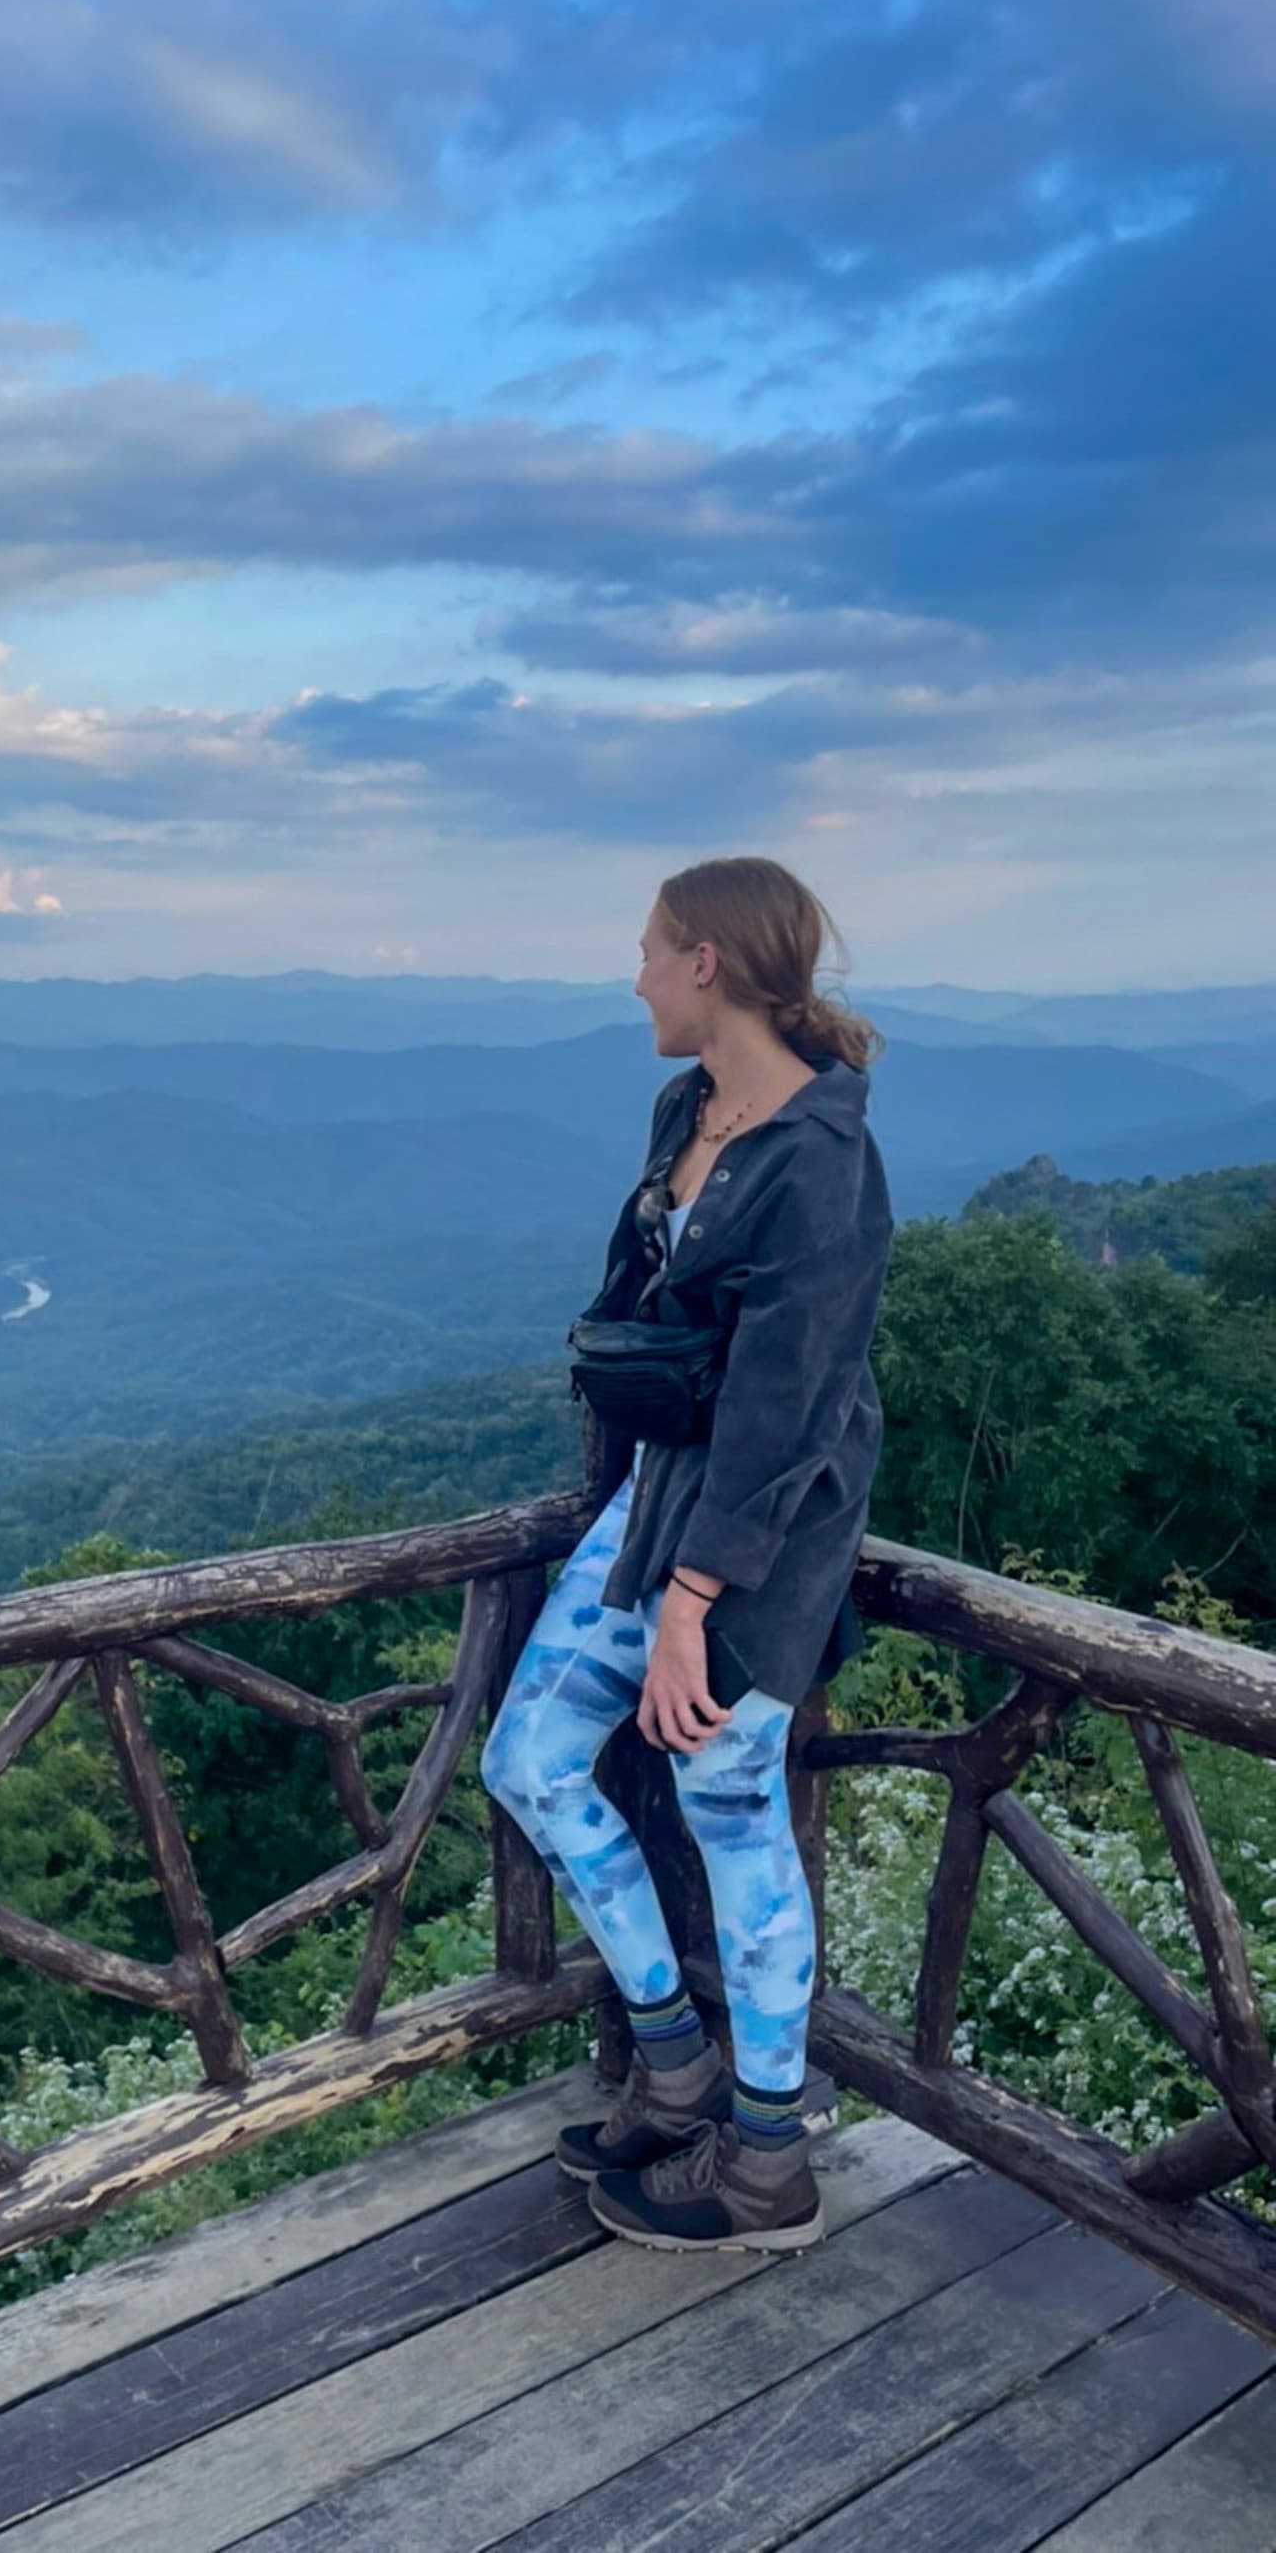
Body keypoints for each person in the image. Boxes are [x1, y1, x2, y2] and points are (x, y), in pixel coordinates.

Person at [482, 856, 892, 2254]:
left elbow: (787, 1403)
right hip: (666, 1488)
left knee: (729, 1803)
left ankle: (768, 2161)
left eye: (652, 950)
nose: (638, 975)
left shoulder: (822, 1158)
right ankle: (675, 2068)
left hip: (766, 1526)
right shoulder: (691, 1108)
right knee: (532, 1761)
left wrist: (688, 1609)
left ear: (707, 962)